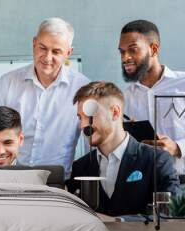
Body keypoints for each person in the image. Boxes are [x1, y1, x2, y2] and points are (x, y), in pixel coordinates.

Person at [0, 17, 89, 177]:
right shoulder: (8, 83)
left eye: (56, 51)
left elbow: (90, 146)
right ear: (34, 43)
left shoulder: (82, 89)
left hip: (56, 184)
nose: (47, 57)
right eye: (42, 48)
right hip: (8, 179)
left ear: (68, 53)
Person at [66, 81, 180, 216]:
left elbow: (169, 216)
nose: (83, 125)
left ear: (115, 112)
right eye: (80, 118)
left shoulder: (157, 160)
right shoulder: (80, 167)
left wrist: (120, 222)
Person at [119, 19, 185, 174]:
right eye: (122, 52)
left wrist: (177, 148)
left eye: (132, 49)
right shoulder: (125, 98)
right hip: (143, 187)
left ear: (154, 49)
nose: (124, 58)